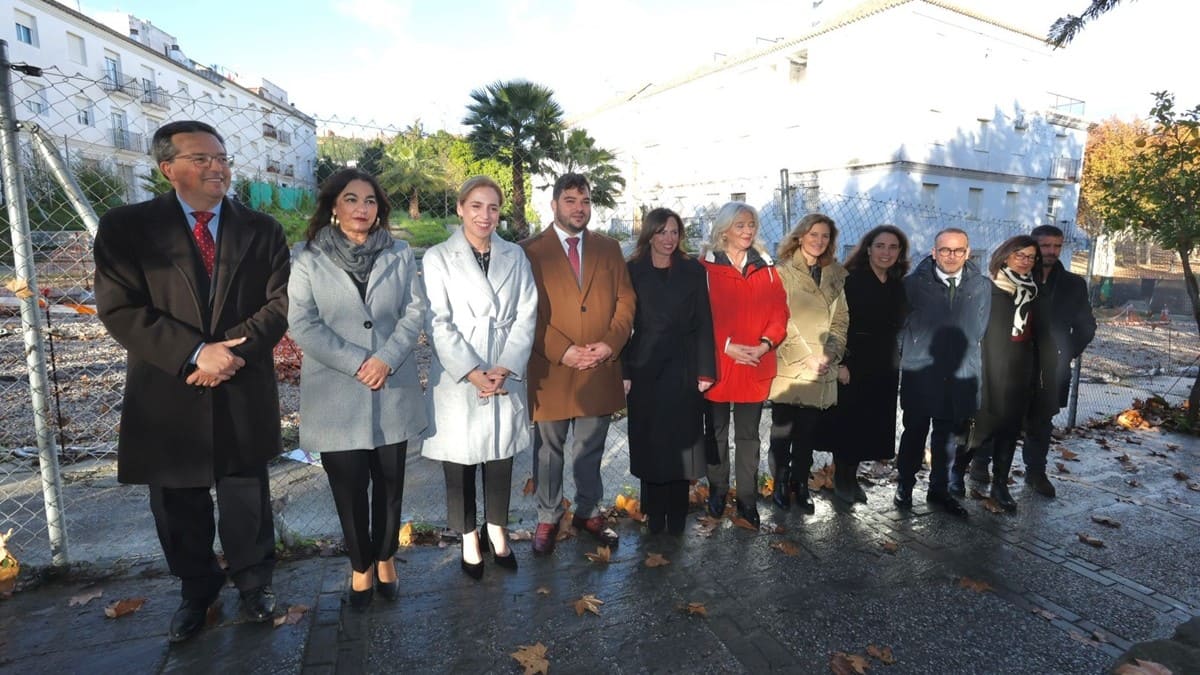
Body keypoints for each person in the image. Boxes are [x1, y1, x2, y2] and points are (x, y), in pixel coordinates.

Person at [94, 120, 289, 641]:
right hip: (169, 389)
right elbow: (119, 309)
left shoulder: (262, 229)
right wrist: (194, 354)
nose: (217, 167)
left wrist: (226, 355)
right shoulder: (126, 228)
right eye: (201, 159)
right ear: (168, 169)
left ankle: (254, 586)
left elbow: (278, 305)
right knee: (177, 503)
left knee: (246, 494)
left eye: (221, 157)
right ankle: (196, 592)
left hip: (240, 382)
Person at [288, 168, 427, 609]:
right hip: (337, 393)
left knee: (390, 485)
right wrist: (357, 362)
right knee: (348, 489)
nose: (361, 209)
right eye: (351, 199)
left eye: (370, 201)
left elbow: (415, 311)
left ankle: (386, 558)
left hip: (392, 386)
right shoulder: (307, 258)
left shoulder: (400, 253)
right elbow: (301, 322)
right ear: (334, 206)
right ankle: (360, 567)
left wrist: (385, 358)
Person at [421, 177, 537, 577]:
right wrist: (472, 371)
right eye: (476, 206)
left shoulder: (515, 256)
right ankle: (468, 536)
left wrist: (504, 366)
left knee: (501, 456)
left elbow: (527, 312)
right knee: (461, 460)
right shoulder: (437, 257)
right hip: (460, 371)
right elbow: (436, 320)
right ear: (460, 208)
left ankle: (498, 530)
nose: (484, 216)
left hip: (503, 365)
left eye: (492, 208)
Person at [521, 173, 636, 555]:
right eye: (570, 200)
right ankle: (548, 516)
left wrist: (609, 345)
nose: (579, 208)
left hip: (599, 367)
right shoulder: (530, 251)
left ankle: (588, 510)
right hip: (551, 369)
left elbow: (625, 301)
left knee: (590, 447)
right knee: (548, 450)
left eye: (585, 201)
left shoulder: (609, 248)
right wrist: (563, 350)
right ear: (554, 204)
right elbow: (525, 312)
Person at [622, 208, 716, 535]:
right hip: (644, 364)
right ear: (649, 234)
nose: (668, 239)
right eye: (661, 232)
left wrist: (706, 369)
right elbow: (620, 324)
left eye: (674, 232)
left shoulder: (692, 269)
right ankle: (653, 510)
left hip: (684, 365)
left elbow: (704, 320)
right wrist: (623, 370)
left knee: (682, 440)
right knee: (651, 441)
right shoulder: (631, 269)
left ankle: (677, 510)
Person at [700, 202, 789, 528]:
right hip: (718, 367)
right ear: (724, 229)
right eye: (740, 225)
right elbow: (698, 318)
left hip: (755, 363)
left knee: (749, 437)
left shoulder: (766, 268)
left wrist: (765, 344)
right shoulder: (705, 269)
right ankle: (717, 491)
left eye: (751, 224)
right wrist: (726, 347)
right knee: (717, 435)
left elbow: (780, 312)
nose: (748, 231)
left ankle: (747, 499)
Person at [894, 228, 990, 518]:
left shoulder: (981, 286)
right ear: (934, 252)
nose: (952, 256)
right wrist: (912, 352)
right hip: (921, 373)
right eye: (945, 250)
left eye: (958, 250)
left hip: (959, 374)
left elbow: (979, 329)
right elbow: (899, 328)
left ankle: (939, 490)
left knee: (947, 438)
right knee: (914, 434)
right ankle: (905, 487)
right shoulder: (912, 285)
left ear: (968, 252)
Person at [994, 225, 1094, 498]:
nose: (1051, 251)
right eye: (1045, 246)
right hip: (1013, 365)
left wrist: (1065, 353)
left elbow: (1087, 326)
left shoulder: (1073, 284)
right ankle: (982, 467)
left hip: (1051, 370)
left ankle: (1035, 472)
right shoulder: (1016, 278)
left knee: (1041, 423)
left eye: (1057, 246)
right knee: (1000, 419)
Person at [958, 236, 1056, 511]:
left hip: (1020, 368)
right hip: (987, 366)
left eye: (1030, 257)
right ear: (1004, 256)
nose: (1025, 261)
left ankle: (1000, 484)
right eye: (1019, 255)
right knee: (979, 426)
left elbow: (1041, 335)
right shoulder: (987, 289)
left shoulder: (1036, 292)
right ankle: (956, 472)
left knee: (1010, 429)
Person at [767, 214, 848, 513]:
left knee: (807, 436)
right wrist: (808, 356)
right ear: (800, 236)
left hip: (822, 368)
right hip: (790, 365)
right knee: (782, 432)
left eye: (825, 236)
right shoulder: (782, 273)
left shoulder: (836, 274)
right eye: (813, 234)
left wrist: (829, 355)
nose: (819, 240)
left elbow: (841, 319)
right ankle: (779, 482)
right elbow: (779, 320)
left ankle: (801, 484)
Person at [824, 225, 910, 504]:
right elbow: (835, 324)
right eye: (880, 246)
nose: (886, 252)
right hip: (853, 359)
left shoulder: (897, 283)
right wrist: (841, 362)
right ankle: (842, 479)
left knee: (870, 422)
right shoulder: (852, 280)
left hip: (884, 361)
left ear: (900, 252)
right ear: (868, 248)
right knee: (848, 421)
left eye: (893, 247)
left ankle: (853, 476)